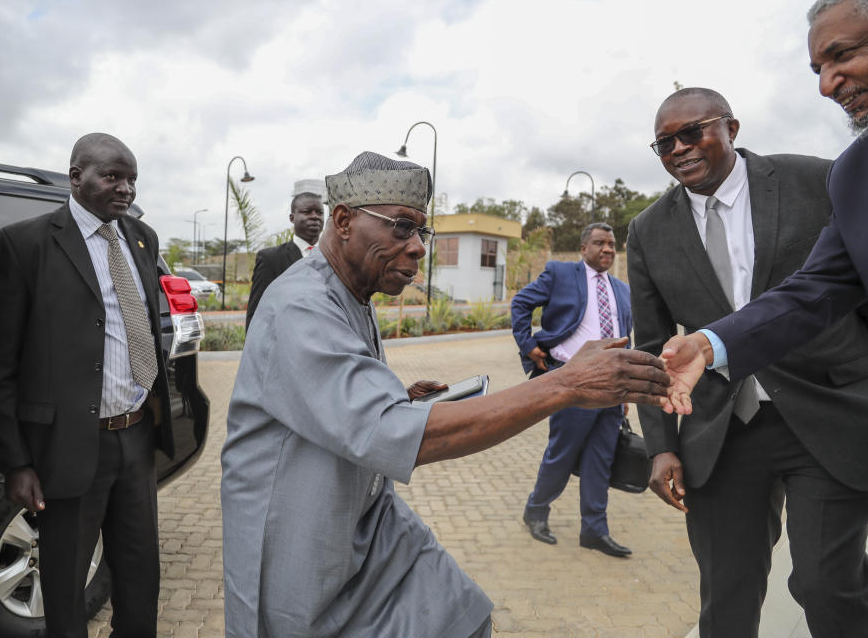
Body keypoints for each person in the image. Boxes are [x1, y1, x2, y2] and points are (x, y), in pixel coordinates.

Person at [220, 151, 671, 638]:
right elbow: (388, 434)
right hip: (301, 533)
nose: (417, 247)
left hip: (369, 521)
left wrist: (402, 397)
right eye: (400, 226)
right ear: (344, 220)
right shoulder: (301, 305)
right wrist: (565, 384)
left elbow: (337, 393)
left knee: (459, 613)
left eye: (421, 232)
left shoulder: (353, 291)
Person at [628, 86, 868, 637]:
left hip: (826, 412)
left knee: (826, 585)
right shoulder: (647, 230)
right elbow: (651, 344)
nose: (679, 149)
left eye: (693, 132)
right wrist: (662, 446)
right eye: (664, 144)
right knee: (728, 594)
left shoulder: (819, 179)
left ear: (731, 129)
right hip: (721, 433)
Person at [0, 133, 172, 638]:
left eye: (131, 179)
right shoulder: (23, 245)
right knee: (65, 590)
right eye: (112, 176)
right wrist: (16, 462)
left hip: (135, 438)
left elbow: (144, 326)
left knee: (139, 579)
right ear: (75, 176)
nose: (125, 188)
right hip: (65, 448)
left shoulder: (142, 238)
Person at [511, 223, 634, 557]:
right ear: (583, 248)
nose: (607, 249)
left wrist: (625, 391)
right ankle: (536, 510)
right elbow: (521, 304)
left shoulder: (622, 290)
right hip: (573, 380)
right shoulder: (560, 273)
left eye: (611, 244)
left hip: (611, 385)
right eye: (599, 243)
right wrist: (528, 345)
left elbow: (626, 339)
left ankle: (594, 530)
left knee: (601, 459)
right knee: (563, 453)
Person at [245, 189, 325, 330]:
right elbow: (257, 312)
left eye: (319, 212)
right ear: (292, 218)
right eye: (307, 212)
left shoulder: (334, 258)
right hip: (287, 344)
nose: (315, 216)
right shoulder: (270, 259)